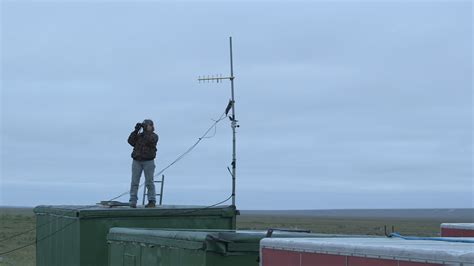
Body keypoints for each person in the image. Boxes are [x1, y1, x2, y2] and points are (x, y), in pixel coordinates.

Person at [127, 119, 159, 208]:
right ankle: (132, 201)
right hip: (137, 161)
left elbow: (150, 141)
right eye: (144, 125)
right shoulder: (139, 136)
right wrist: (136, 130)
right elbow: (130, 141)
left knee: (149, 182)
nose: (145, 126)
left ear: (151, 126)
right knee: (134, 182)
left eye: (147, 125)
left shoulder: (154, 136)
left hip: (148, 161)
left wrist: (146, 132)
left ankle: (152, 201)